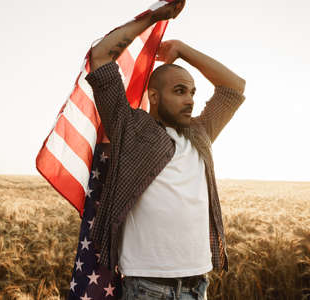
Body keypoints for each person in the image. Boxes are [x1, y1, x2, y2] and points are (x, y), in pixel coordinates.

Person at [85, 1, 246, 299]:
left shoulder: (201, 134)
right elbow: (100, 56)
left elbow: (234, 87)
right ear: (154, 96)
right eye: (179, 91)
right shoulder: (130, 129)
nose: (190, 100)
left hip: (198, 285)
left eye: (193, 92)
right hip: (147, 287)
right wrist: (153, 18)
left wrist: (182, 49)